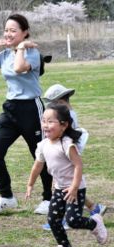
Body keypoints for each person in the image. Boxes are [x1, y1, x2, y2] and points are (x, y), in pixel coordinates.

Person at [0, 13, 52, 215]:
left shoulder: (32, 52)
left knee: (41, 154)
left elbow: (19, 68)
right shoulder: (4, 55)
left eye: (13, 30)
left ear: (25, 32)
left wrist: (20, 47)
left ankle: (49, 199)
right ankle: (7, 198)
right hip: (10, 109)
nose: (8, 33)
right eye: (6, 30)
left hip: (31, 108)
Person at [26, 103, 108, 247]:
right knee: (53, 220)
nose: (45, 125)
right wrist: (30, 184)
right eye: (44, 121)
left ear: (64, 125)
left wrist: (75, 187)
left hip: (75, 188)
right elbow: (37, 166)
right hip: (59, 188)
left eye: (50, 121)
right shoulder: (43, 145)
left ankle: (95, 223)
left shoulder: (66, 144)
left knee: (72, 220)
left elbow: (78, 165)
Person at [40, 84, 107, 231]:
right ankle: (94, 207)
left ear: (62, 102)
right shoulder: (66, 112)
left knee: (67, 186)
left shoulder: (67, 116)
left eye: (53, 103)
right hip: (64, 152)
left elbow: (68, 137)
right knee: (66, 186)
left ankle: (64, 218)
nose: (50, 107)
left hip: (67, 154)